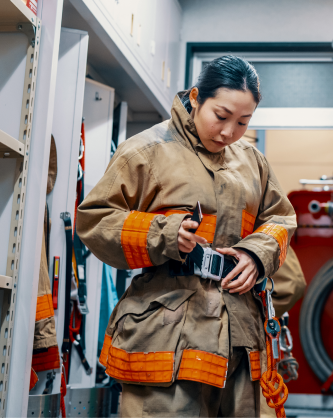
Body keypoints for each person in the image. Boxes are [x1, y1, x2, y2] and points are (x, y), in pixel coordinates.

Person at [76, 55, 296, 418]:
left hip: (240, 336)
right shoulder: (147, 150)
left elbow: (281, 218)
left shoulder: (252, 161)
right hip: (167, 334)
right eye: (221, 116)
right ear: (195, 97)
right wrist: (163, 234)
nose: (229, 132)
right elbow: (95, 220)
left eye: (243, 122)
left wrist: (256, 255)